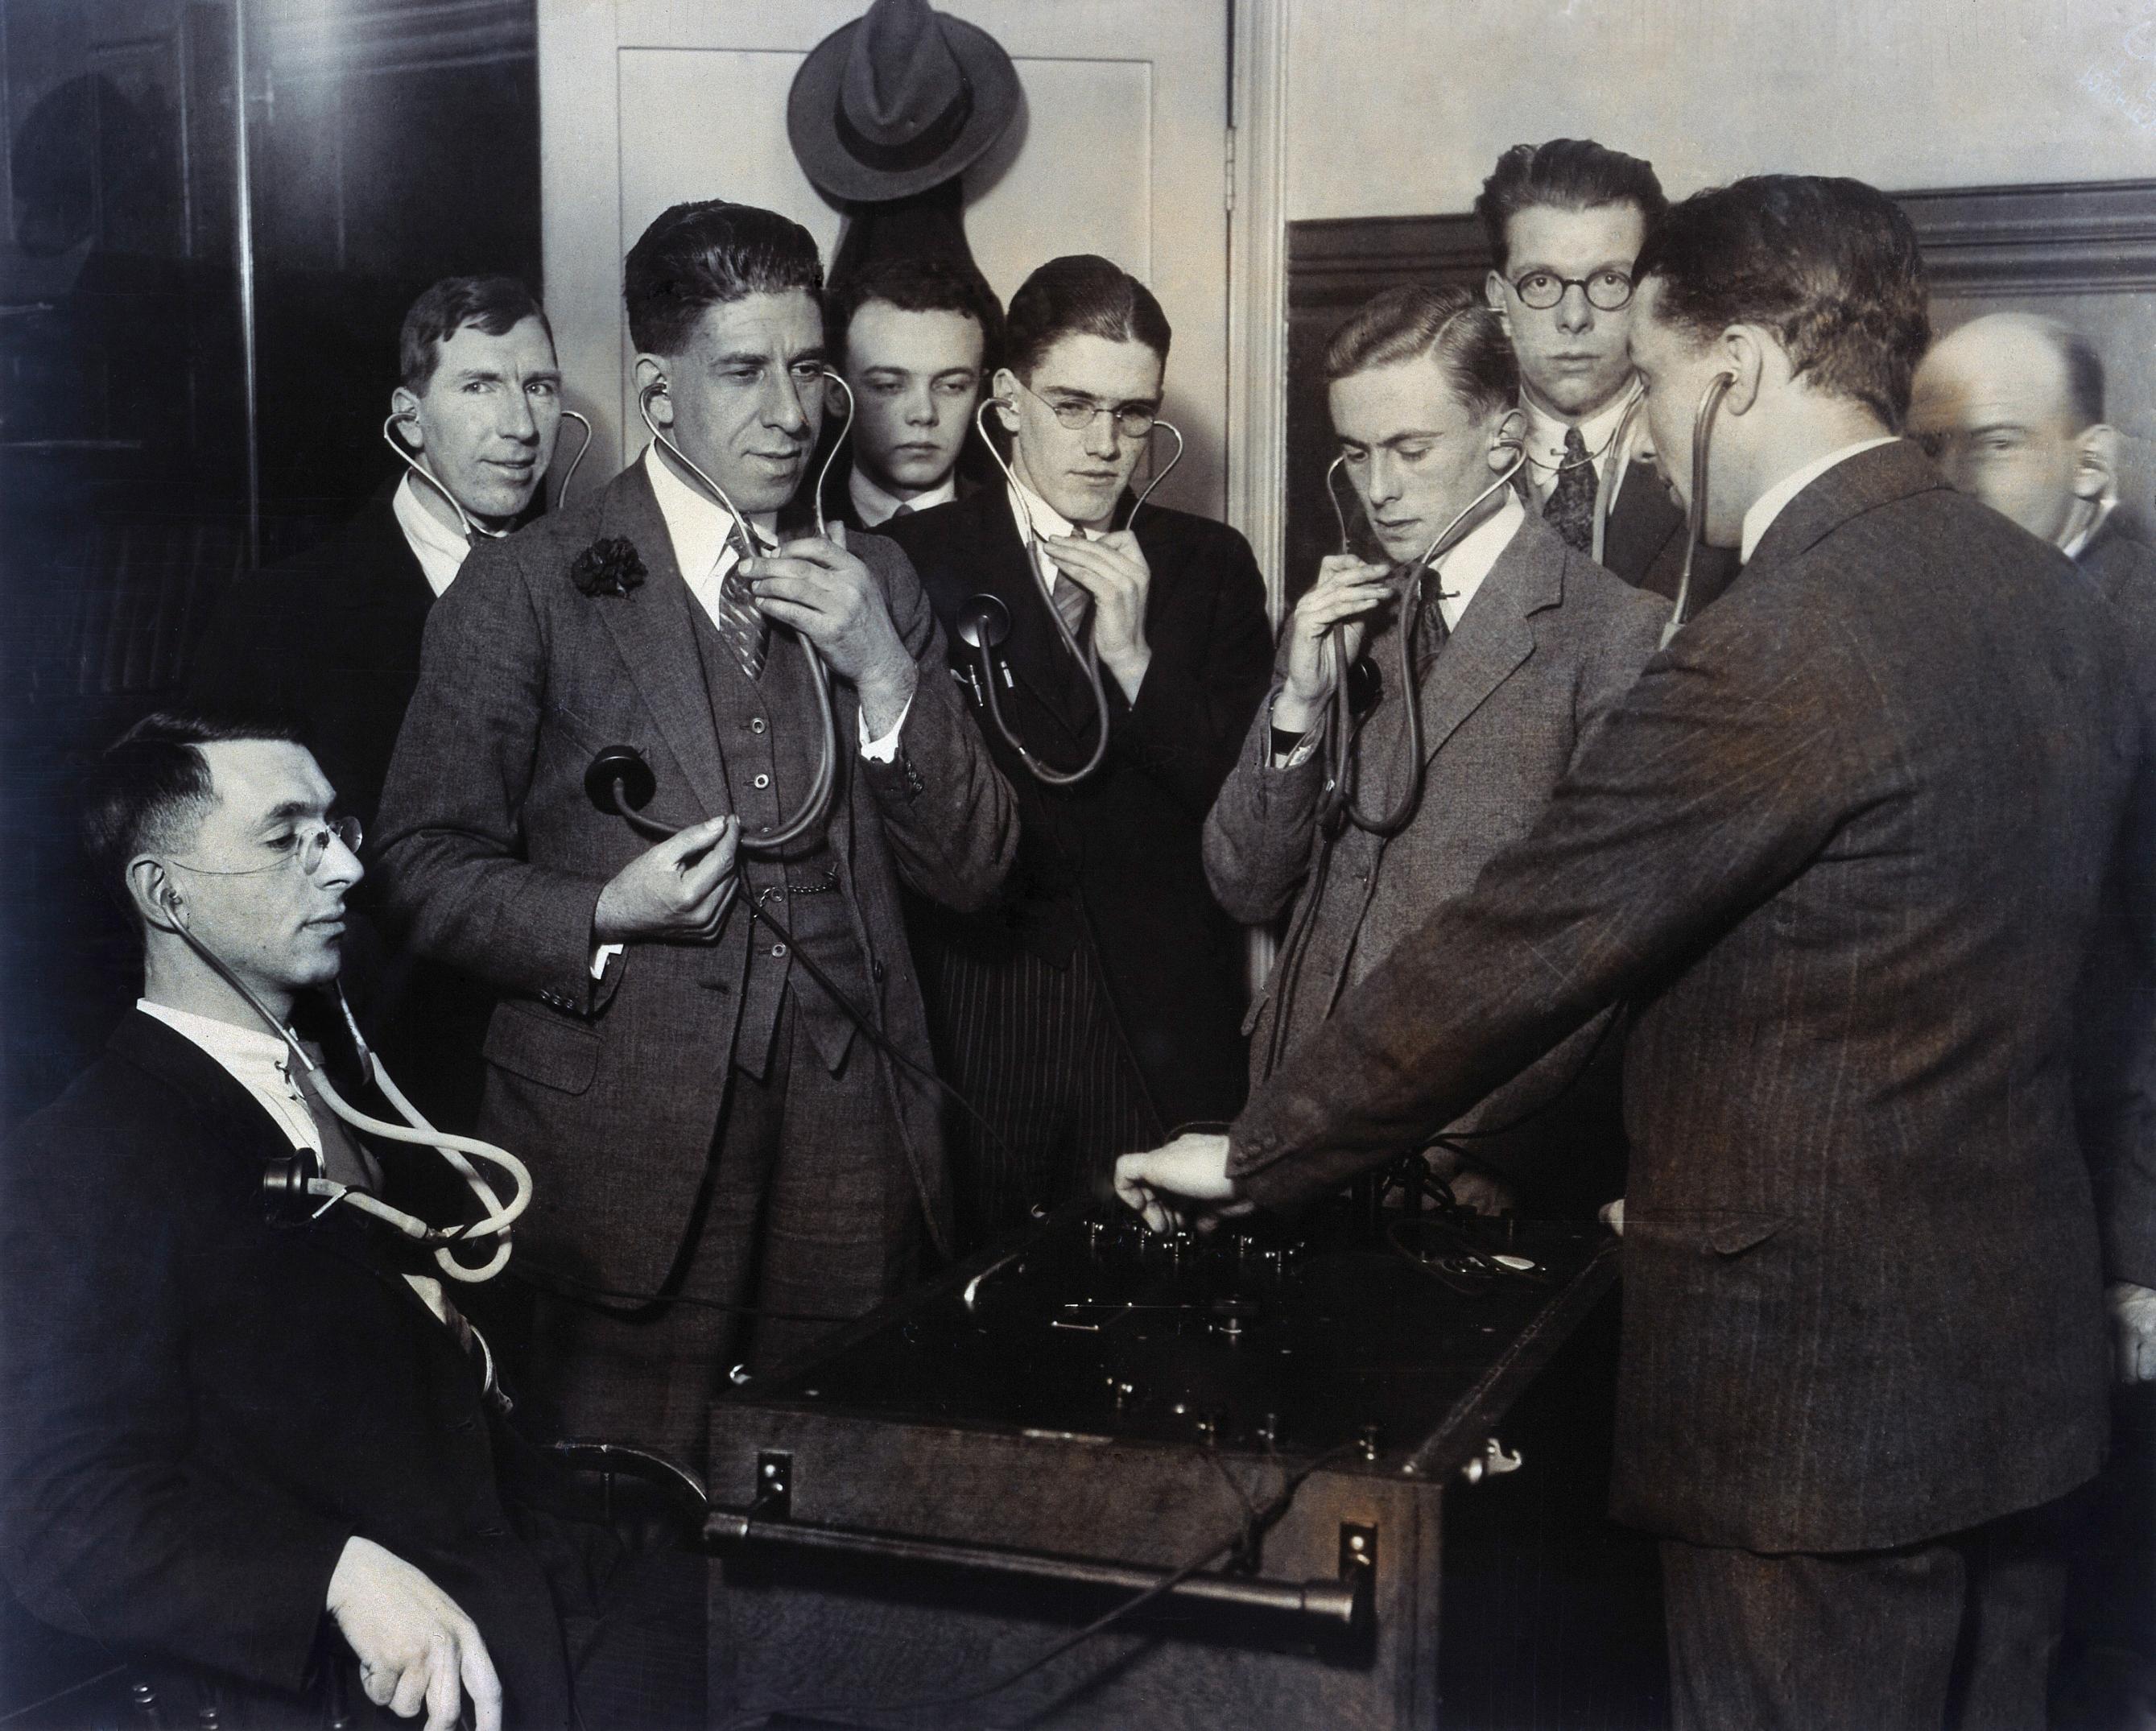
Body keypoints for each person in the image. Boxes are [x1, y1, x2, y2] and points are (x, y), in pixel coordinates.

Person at [1117, 175, 2152, 1730]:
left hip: (1808, 1421)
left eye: (1658, 381)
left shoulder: (1776, 638)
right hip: (2016, 1381)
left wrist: (1262, 1149)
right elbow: (2111, 998)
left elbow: (1525, 939)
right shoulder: (2056, 607)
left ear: (1730, 368)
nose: (1649, 428)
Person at [374, 200, 1016, 1469]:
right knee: (626, 1514)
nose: (791, 410)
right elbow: (416, 865)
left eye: (807, 367)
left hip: (855, 1126)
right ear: (660, 396)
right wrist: (601, 912)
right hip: (626, 1142)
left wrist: (883, 670)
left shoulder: (875, 581)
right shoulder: (528, 585)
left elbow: (976, 865)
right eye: (743, 372)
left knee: (841, 1492)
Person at [1, 713, 564, 1729]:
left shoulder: (338, 1089)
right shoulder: (84, 1155)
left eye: (336, 827)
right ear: (164, 895)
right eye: (286, 837)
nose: (346, 866)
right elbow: (58, 1517)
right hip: (366, 1669)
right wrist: (334, 1577)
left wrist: (459, 1352)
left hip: (522, 1573)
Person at [1204, 283, 1662, 1215]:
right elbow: (1245, 883)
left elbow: (1603, 960)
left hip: (1451, 1163)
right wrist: (1296, 701)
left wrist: (1473, 1152)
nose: (1378, 488)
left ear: (1501, 439)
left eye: (1411, 450)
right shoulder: (1345, 620)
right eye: (1355, 453)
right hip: (1288, 1127)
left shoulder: (1613, 634)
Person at [881, 254, 1272, 1250]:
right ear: (1006, 403)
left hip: (1161, 1037)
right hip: (980, 1030)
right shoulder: (912, 563)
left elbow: (1252, 817)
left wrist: (1138, 662)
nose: (1105, 445)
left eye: (1133, 414)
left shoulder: (1207, 566)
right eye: (1072, 405)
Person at [1909, 312, 2156, 1728]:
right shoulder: (1982, 616)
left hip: (2092, 1240)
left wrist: (2139, 1255)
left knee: (2052, 1640)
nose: (1949, 483)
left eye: (1992, 448)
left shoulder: (2127, 646)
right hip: (1994, 1237)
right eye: (1928, 448)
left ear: (2093, 463)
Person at [188, 275, 566, 1135]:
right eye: (479, 386)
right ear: (407, 418)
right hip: (374, 1071)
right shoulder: (280, 616)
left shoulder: (598, 598)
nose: (518, 425)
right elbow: (225, 880)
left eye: (538, 386)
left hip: (569, 1070)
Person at [1476, 138, 1739, 610]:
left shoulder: (1717, 458)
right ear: (1500, 301)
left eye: (1610, 281)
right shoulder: (1429, 459)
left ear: (1651, 293)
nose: (1574, 317)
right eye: (1540, 282)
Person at [817, 250, 1002, 534]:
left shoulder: (1011, 534)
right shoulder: (793, 530)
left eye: (952, 386)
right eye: (888, 386)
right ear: (835, 393)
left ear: (980, 393)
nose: (924, 414)